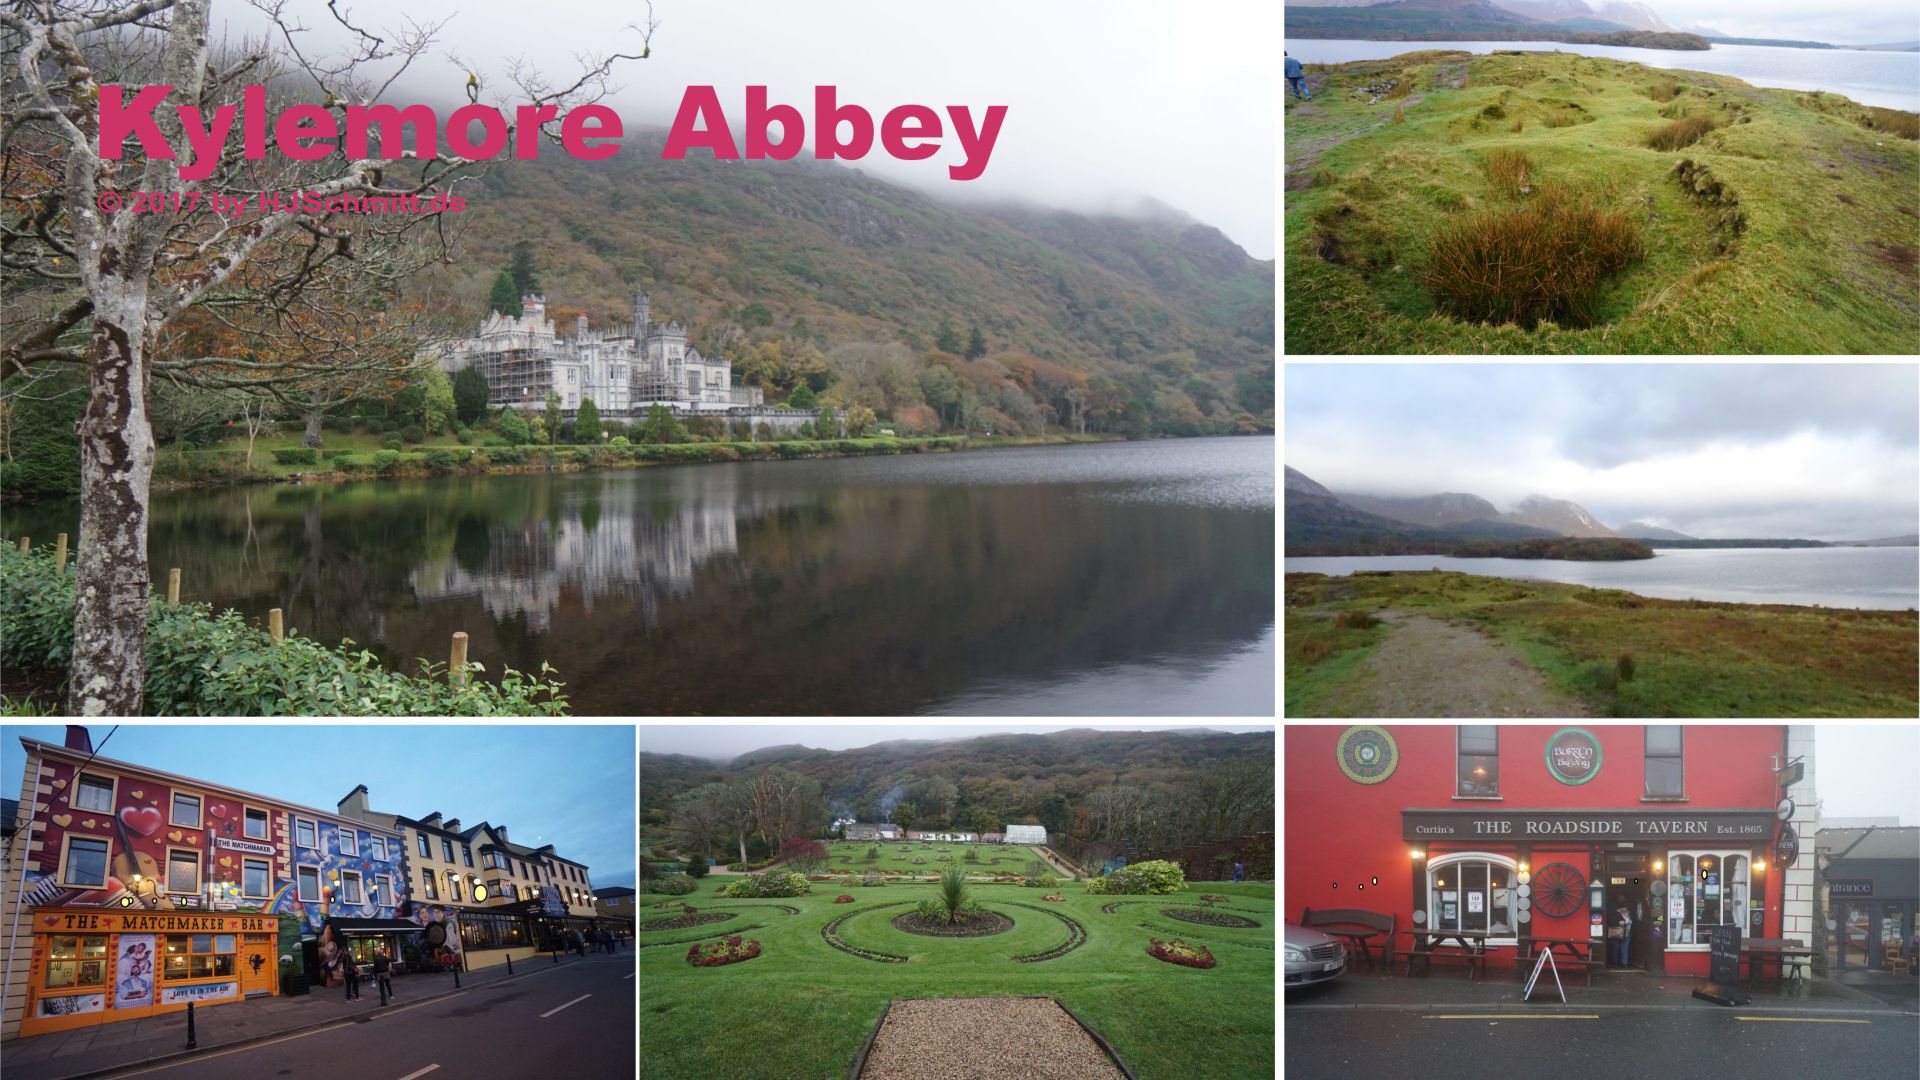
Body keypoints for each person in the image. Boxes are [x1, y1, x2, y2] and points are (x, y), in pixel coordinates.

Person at [1610, 898, 1633, 967]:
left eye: (1624, 907)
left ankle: (1624, 964)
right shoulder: (1615, 913)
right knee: (1615, 950)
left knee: (1625, 949)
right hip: (1617, 934)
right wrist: (1618, 922)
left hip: (1626, 934)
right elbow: (1610, 922)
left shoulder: (1630, 914)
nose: (1623, 909)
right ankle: (1614, 963)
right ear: (1619, 908)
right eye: (1621, 907)